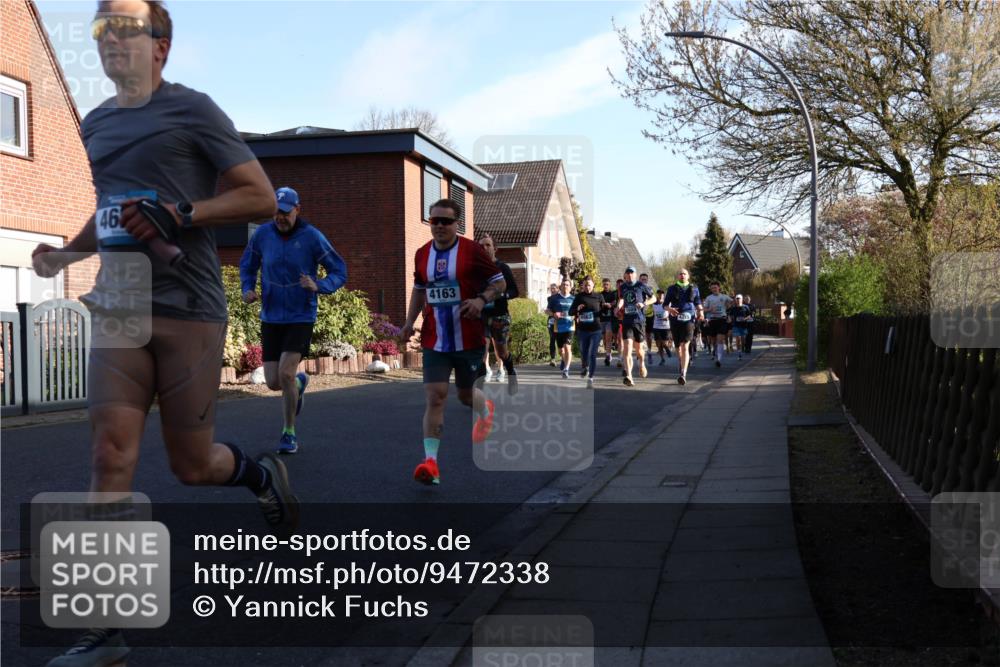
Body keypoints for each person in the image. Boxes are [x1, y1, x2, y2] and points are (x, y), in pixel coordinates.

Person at [32, 2, 297, 664]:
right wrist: (68, 254)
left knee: (191, 463)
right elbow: (111, 209)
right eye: (102, 30)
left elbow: (260, 197)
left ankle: (259, 474)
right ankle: (105, 629)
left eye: (127, 29)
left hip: (189, 305)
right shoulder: (94, 123)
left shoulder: (195, 111)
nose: (112, 41)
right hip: (122, 302)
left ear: (162, 47)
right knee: (109, 454)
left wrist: (182, 210)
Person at [399, 199, 506, 486]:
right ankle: (430, 463)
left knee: (465, 396)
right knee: (435, 397)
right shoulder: (422, 255)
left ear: (456, 224)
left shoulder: (471, 251)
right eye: (434, 221)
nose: (439, 226)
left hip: (469, 337)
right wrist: (410, 322)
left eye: (445, 221)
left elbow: (499, 282)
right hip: (435, 338)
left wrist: (481, 299)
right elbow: (419, 290)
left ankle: (486, 408)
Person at [240, 186, 347, 454]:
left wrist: (319, 285)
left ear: (297, 209)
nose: (281, 217)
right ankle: (299, 384)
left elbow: (339, 270)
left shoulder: (312, 237)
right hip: (271, 314)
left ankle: (289, 433)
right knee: (274, 382)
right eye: (277, 212)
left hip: (301, 314)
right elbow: (247, 264)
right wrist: (247, 288)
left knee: (286, 372)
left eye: (286, 213)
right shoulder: (263, 235)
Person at [477, 233, 519, 393]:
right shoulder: (476, 269)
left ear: (495, 248)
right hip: (482, 316)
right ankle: (478, 390)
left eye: (488, 245)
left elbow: (515, 291)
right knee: (481, 350)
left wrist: (501, 294)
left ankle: (511, 371)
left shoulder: (503, 268)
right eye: (481, 246)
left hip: (499, 315)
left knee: (502, 352)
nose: (484, 248)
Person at [615, 266, 654, 386]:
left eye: (632, 273)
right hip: (627, 321)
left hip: (639, 321)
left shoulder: (641, 285)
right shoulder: (622, 287)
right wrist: (618, 307)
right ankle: (629, 376)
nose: (630, 275)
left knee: (639, 350)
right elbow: (621, 299)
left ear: (635, 275)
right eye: (628, 273)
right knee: (627, 348)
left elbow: (654, 298)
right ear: (625, 275)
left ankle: (642, 363)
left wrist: (644, 303)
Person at [664, 268, 703, 385]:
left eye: (684, 274)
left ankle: (683, 373)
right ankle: (681, 363)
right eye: (680, 274)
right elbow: (665, 305)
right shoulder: (671, 288)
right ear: (678, 276)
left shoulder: (695, 289)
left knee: (685, 345)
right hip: (675, 320)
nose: (682, 275)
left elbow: (698, 302)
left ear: (688, 276)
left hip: (689, 319)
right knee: (678, 347)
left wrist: (701, 312)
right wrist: (670, 309)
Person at [571, 276, 603, 389]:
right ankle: (585, 366)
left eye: (589, 285)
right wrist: (577, 309)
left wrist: (607, 307)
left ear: (593, 285)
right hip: (583, 330)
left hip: (596, 329)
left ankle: (591, 378)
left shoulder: (599, 296)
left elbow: (603, 311)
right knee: (584, 352)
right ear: (582, 286)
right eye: (585, 285)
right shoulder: (579, 297)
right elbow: (571, 311)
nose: (587, 287)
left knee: (593, 353)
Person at [546, 277, 576, 379]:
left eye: (567, 285)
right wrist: (554, 314)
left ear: (570, 287)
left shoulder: (573, 299)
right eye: (563, 285)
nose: (565, 286)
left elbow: (577, 311)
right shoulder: (555, 298)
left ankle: (566, 369)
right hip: (558, 327)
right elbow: (547, 311)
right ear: (560, 286)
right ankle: (563, 359)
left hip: (570, 326)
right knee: (560, 350)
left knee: (567, 347)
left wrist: (576, 315)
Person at [703, 281, 732, 368]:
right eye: (712, 288)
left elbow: (733, 302)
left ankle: (719, 359)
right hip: (712, 321)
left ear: (719, 288)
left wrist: (730, 305)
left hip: (722, 320)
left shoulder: (724, 296)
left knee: (720, 340)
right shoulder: (709, 298)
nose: (714, 289)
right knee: (713, 341)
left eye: (715, 287)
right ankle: (715, 353)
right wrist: (710, 309)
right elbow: (704, 309)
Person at [651, 289, 673, 365]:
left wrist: (667, 318)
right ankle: (662, 359)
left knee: (664, 343)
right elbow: (652, 313)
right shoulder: (654, 304)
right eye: (659, 294)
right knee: (658, 344)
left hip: (665, 326)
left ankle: (667, 348)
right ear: (657, 295)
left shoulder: (668, 304)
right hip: (656, 326)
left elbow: (672, 312)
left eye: (662, 294)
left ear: (664, 295)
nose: (660, 295)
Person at [599, 277, 617, 366]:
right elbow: (598, 304)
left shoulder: (613, 293)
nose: (605, 286)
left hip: (610, 319)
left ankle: (608, 355)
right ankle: (608, 352)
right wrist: (603, 304)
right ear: (602, 285)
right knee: (604, 339)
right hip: (602, 319)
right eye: (604, 284)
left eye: (607, 284)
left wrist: (610, 304)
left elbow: (615, 302)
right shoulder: (600, 294)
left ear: (609, 285)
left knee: (608, 337)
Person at [729, 294, 753, 360]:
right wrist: (730, 319)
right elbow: (730, 316)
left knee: (743, 340)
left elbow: (749, 316)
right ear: (735, 300)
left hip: (744, 326)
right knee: (738, 338)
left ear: (742, 299)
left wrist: (744, 319)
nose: (738, 300)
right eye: (737, 298)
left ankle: (742, 348)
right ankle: (739, 353)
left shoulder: (746, 307)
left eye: (739, 298)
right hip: (736, 325)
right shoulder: (733, 308)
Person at [546, 283, 559, 366]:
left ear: (558, 289)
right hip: (551, 320)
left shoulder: (560, 298)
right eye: (551, 288)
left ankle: (563, 355)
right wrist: (549, 313)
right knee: (552, 339)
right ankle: (553, 358)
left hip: (560, 321)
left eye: (554, 288)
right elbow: (548, 310)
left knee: (560, 339)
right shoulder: (549, 298)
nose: (553, 290)